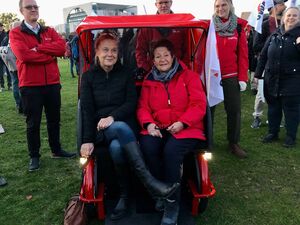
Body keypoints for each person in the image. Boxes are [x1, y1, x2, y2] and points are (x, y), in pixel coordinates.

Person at [79, 32, 179, 221]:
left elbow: (131, 103)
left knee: (117, 147)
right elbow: (86, 110)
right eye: (106, 50)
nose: (110, 54)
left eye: (114, 50)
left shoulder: (124, 73)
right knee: (119, 130)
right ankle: (153, 185)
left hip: (124, 121)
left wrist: (112, 116)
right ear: (97, 52)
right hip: (101, 128)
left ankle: (125, 197)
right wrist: (87, 140)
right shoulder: (88, 77)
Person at [137, 39, 207, 225]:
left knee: (171, 151)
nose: (162, 59)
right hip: (159, 126)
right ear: (153, 60)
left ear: (173, 56)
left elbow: (199, 105)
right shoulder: (149, 81)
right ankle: (160, 191)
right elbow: (142, 108)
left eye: (165, 55)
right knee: (147, 146)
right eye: (158, 56)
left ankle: (171, 204)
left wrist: (183, 122)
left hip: (186, 127)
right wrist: (149, 124)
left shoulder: (189, 76)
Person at [9, 0, 76, 172]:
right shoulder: (16, 33)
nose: (33, 10)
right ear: (21, 11)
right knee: (33, 123)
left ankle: (56, 150)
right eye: (29, 7)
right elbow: (24, 56)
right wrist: (49, 54)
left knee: (54, 119)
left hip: (52, 83)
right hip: (30, 85)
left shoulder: (49, 30)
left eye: (35, 7)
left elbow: (62, 48)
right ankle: (34, 156)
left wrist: (38, 48)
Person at [255, 7, 300, 148]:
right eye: (289, 15)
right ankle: (272, 133)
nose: (291, 18)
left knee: (291, 109)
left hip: (292, 80)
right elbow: (263, 56)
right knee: (273, 107)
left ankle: (290, 136)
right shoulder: (275, 34)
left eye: (295, 16)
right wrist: (257, 74)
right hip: (272, 78)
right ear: (284, 17)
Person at [212, 0, 248, 158]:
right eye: (217, 6)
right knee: (209, 110)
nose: (221, 8)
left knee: (234, 110)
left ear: (230, 6)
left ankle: (233, 142)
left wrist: (242, 77)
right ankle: (207, 141)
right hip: (213, 76)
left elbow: (243, 55)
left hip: (231, 75)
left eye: (224, 5)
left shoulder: (239, 26)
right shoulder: (209, 26)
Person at [251, 0, 287, 129]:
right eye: (282, 4)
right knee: (261, 94)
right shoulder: (263, 24)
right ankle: (257, 116)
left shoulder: (284, 23)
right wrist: (272, 42)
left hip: (282, 64)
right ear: (275, 7)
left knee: (281, 91)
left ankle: (279, 118)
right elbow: (255, 46)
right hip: (266, 64)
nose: (285, 6)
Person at [135, 0, 188, 78]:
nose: (163, 5)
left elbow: (187, 51)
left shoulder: (182, 24)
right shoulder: (147, 26)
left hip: (178, 72)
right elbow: (140, 51)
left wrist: (182, 69)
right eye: (160, 3)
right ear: (156, 4)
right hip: (154, 72)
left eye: (166, 2)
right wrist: (147, 69)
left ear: (171, 3)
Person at [0, 21, 23, 114]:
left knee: (15, 83)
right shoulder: (17, 36)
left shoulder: (6, 37)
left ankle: (19, 104)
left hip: (10, 64)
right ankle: (21, 104)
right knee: (21, 84)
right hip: (19, 63)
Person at [0, 22, 12, 92]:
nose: (1, 27)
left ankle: (10, 85)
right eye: (0, 26)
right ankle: (2, 86)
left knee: (8, 71)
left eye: (1, 26)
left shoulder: (6, 34)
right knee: (0, 72)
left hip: (6, 55)